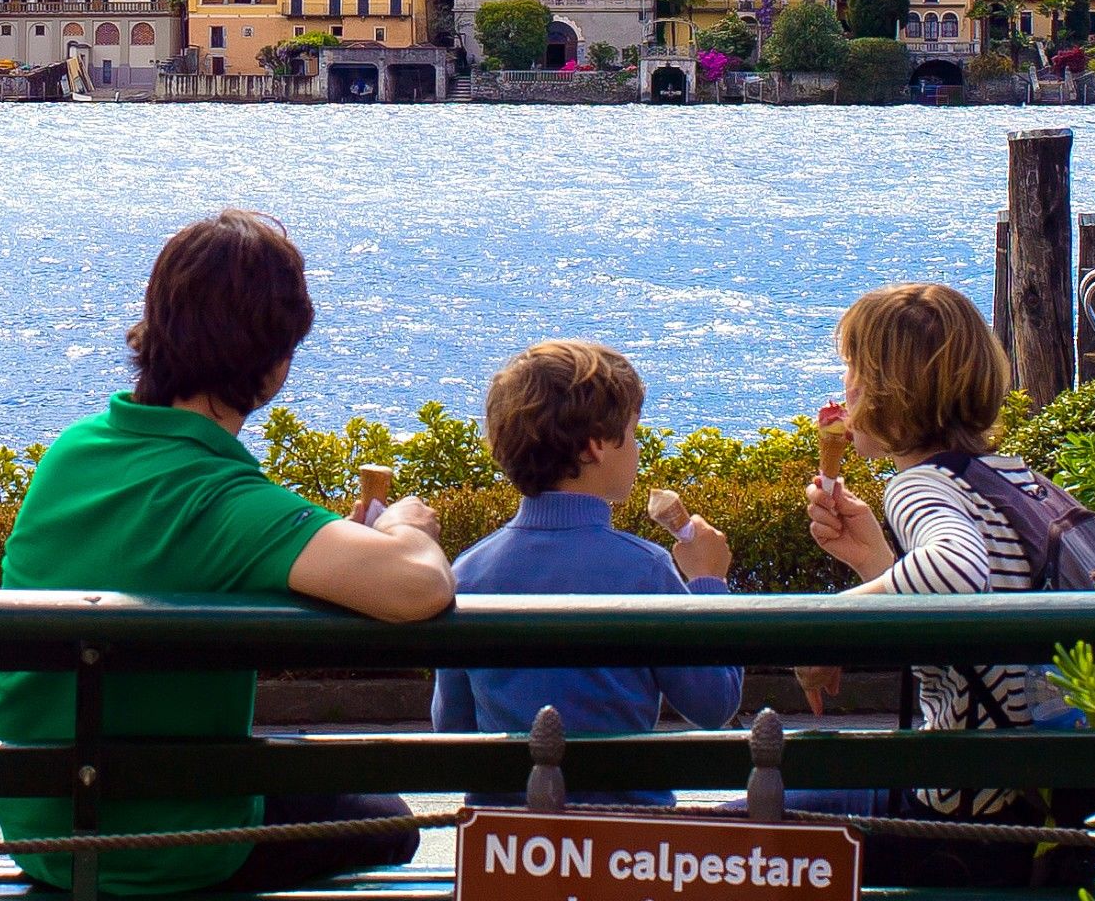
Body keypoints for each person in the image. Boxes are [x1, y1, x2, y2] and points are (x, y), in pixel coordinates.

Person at [0, 210, 456, 895]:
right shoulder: (223, 501)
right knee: (385, 818)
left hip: (45, 829)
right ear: (273, 368)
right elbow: (418, 587)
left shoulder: (72, 454)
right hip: (170, 847)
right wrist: (407, 528)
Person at [794, 283, 1043, 889]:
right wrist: (876, 563)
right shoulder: (1011, 479)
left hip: (957, 819)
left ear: (887, 392)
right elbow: (979, 597)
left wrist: (818, 632)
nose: (844, 388)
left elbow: (955, 572)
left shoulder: (917, 485)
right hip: (1030, 802)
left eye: (853, 370)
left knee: (741, 827)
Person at [432, 340, 743, 798]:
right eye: (634, 433)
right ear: (595, 446)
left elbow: (452, 728)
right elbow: (714, 704)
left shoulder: (468, 571)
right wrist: (708, 582)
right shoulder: (646, 570)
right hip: (624, 840)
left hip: (505, 842)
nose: (637, 448)